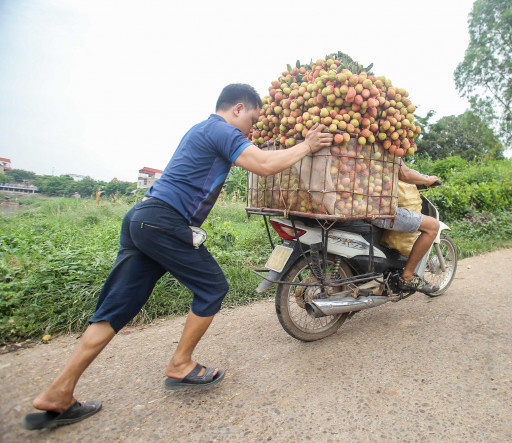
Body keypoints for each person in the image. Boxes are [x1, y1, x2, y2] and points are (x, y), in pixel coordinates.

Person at [22, 84, 333, 430]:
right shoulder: (221, 130)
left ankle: (58, 392)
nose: (252, 129)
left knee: (114, 311)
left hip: (142, 219)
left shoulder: (200, 130)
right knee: (213, 286)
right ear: (238, 109)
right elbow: (261, 164)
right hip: (163, 221)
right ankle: (181, 364)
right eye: (253, 120)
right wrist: (306, 145)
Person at [372, 160, 442, 295]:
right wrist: (427, 180)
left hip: (360, 206)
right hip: (379, 211)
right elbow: (404, 173)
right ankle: (408, 276)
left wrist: (423, 178)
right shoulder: (388, 145)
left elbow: (405, 171)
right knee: (433, 226)